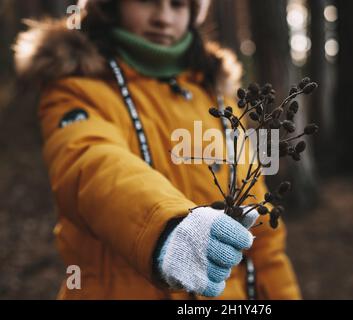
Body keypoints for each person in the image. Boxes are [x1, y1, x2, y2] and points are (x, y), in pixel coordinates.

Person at [13, 0, 301, 300]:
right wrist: (167, 228)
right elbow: (89, 163)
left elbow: (264, 240)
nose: (163, 18)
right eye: (148, 1)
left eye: (177, 5)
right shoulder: (77, 87)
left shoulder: (218, 100)